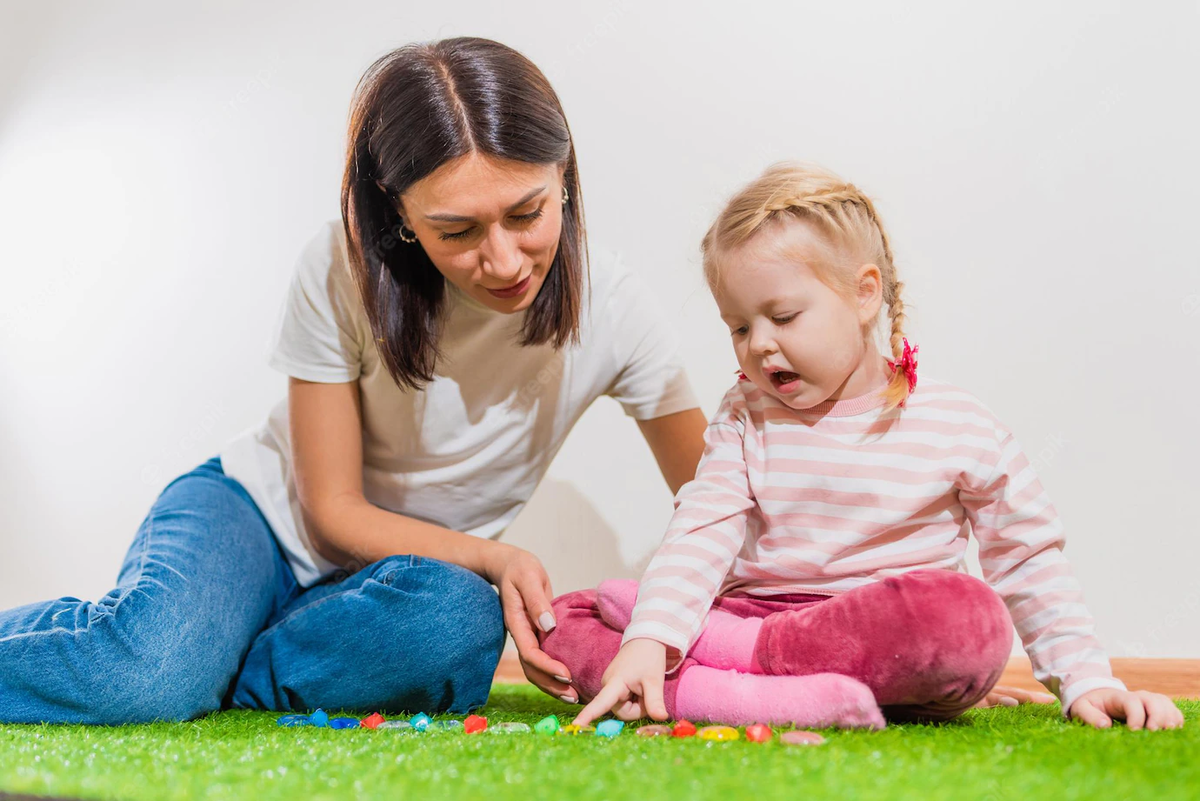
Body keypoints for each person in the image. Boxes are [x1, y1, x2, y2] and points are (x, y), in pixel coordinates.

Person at [0, 37, 707, 725]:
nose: (503, 260)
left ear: (565, 177)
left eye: (527, 214)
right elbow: (331, 509)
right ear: (400, 213)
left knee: (457, 620)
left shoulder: (616, 310)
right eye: (456, 232)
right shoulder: (341, 268)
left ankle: (210, 657)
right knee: (145, 676)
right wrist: (496, 556)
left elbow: (714, 502)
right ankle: (186, 655)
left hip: (388, 581)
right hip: (253, 518)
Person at [549, 162, 1185, 732]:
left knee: (965, 619)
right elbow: (702, 526)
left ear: (864, 293)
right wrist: (653, 635)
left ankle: (723, 683)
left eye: (783, 317)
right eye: (738, 327)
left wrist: (1085, 679)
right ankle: (776, 693)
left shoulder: (957, 423)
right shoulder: (745, 414)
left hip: (873, 631)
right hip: (753, 619)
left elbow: (1027, 556)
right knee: (566, 620)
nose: (759, 344)